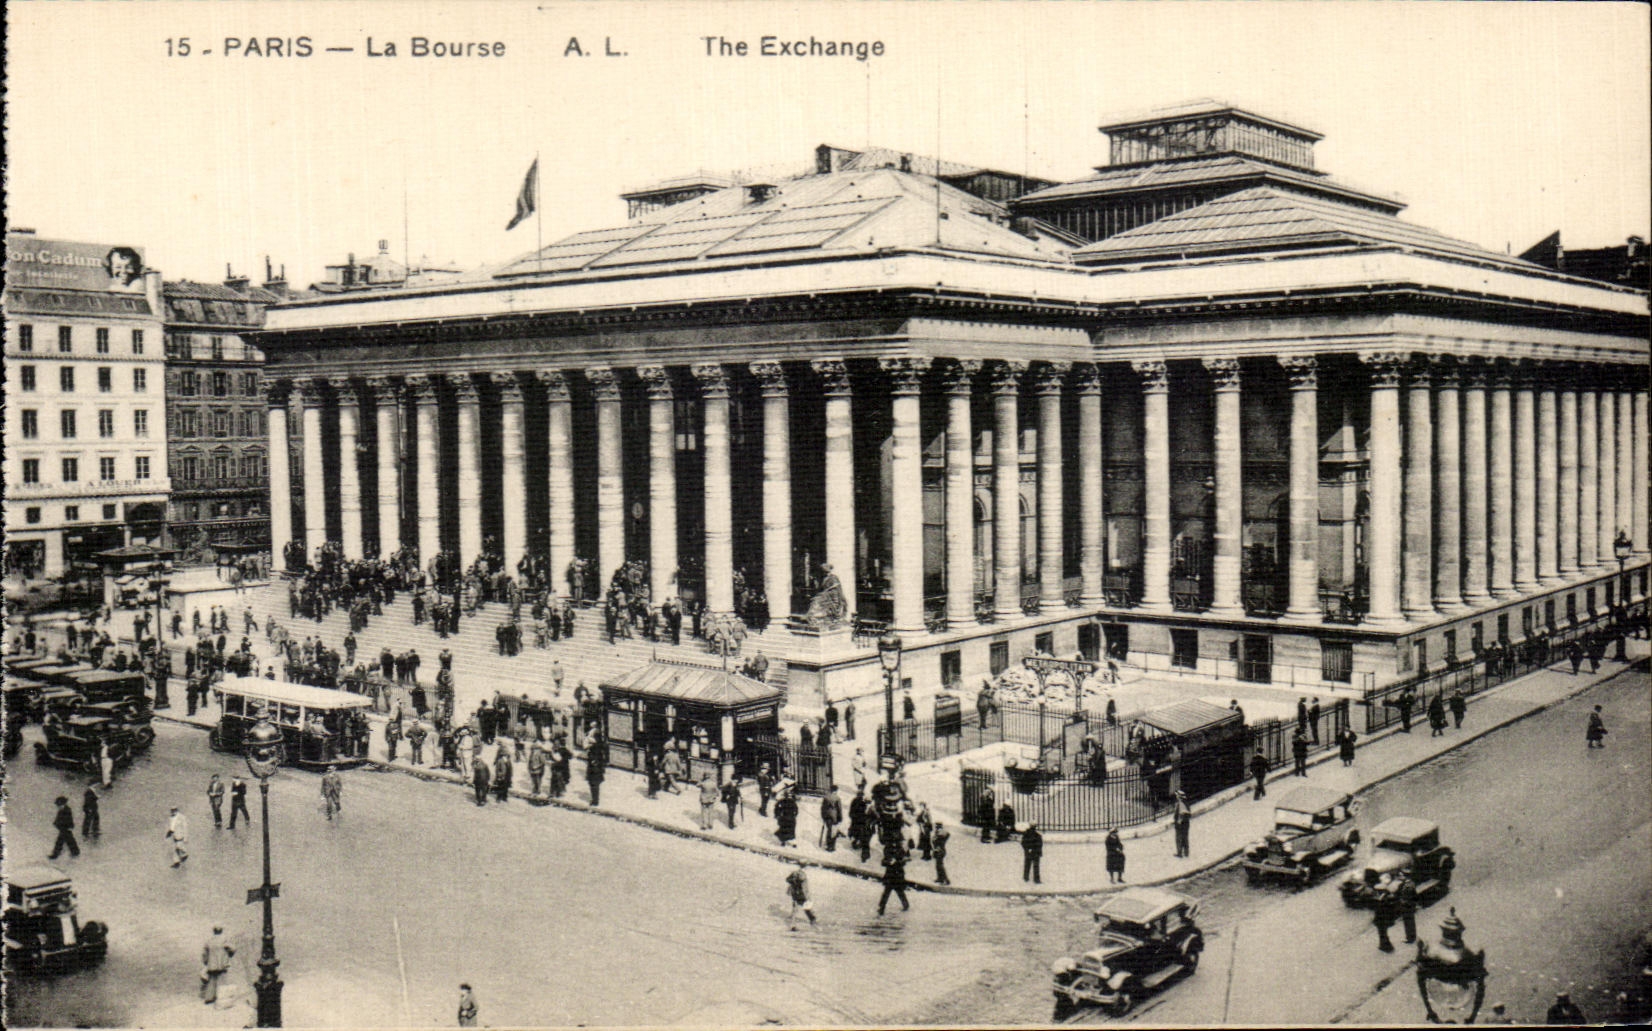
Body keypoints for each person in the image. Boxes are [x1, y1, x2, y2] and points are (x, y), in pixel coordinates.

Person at [877, 843, 911, 915]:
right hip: (890, 874)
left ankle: (905, 904)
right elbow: (883, 862)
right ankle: (882, 907)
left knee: (898, 890)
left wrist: (897, 862)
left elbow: (906, 860)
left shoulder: (901, 849)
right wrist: (889, 862)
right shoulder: (887, 849)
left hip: (897, 874)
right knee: (888, 891)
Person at [786, 863, 817, 930]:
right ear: (806, 867)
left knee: (795, 909)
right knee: (806, 907)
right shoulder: (803, 875)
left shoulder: (795, 873)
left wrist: (793, 884)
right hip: (802, 894)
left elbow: (787, 879)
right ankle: (812, 919)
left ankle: (793, 925)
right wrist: (807, 897)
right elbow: (804, 888)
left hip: (795, 893)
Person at [1373, 874, 1400, 951]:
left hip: (1381, 920)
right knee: (1383, 934)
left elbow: (1379, 910)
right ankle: (1385, 945)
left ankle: (1386, 947)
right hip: (1383, 920)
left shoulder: (1382, 899)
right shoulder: (1386, 897)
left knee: (1382, 934)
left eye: (1378, 890)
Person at [1393, 869, 1419, 944]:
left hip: (1407, 906)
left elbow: (1407, 897)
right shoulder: (1410, 883)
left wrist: (1401, 901)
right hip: (1410, 906)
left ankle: (1409, 938)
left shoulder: (1407, 886)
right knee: (1411, 922)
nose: (1401, 877)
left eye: (1402, 876)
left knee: (1408, 922)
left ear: (1406, 876)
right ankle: (1412, 936)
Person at [775, 781, 800, 847]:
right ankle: (790, 842)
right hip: (789, 818)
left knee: (786, 830)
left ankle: (785, 841)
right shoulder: (790, 801)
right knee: (789, 830)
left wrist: (777, 815)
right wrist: (795, 814)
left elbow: (777, 808)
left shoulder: (784, 801)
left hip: (786, 818)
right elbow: (796, 809)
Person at [1172, 791, 1192, 858]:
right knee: (1185, 837)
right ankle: (1186, 853)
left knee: (1179, 838)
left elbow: (1181, 813)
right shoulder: (1186, 803)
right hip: (1186, 823)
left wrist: (1178, 822)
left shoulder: (1179, 803)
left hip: (1180, 824)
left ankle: (1179, 853)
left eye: (1177, 795)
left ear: (1179, 797)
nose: (1176, 797)